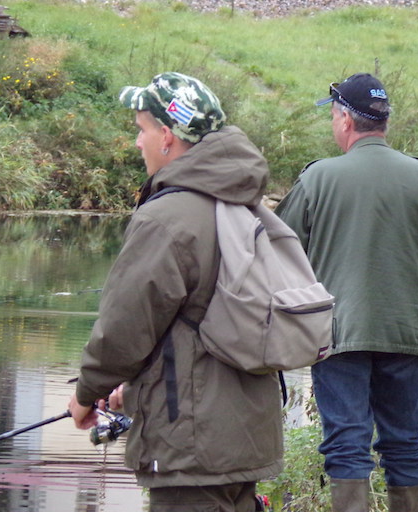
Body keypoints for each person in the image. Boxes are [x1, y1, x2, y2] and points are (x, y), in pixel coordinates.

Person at [68, 71, 283, 512]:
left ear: (166, 136)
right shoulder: (243, 204)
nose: (138, 142)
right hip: (245, 434)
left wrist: (86, 393)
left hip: (190, 443)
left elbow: (124, 330)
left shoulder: (165, 218)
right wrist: (135, 388)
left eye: (142, 130)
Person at [275, 73, 418, 512]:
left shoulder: (318, 178)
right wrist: (404, 282)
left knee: (346, 442)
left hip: (338, 331)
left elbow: (280, 252)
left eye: (333, 117)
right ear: (384, 122)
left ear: (344, 120)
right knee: (404, 442)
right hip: (406, 327)